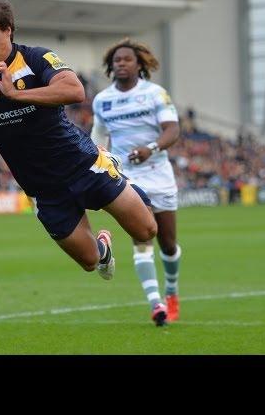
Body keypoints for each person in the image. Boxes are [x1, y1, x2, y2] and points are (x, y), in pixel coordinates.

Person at [0, 0, 158, 314]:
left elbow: (75, 91)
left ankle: (123, 182)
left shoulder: (36, 58)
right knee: (91, 262)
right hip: (44, 190)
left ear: (8, 30)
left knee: (146, 231)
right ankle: (104, 247)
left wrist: (16, 93)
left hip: (84, 166)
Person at [91, 38, 182, 325]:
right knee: (142, 238)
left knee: (167, 244)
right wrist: (97, 159)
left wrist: (151, 149)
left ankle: (171, 292)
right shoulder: (103, 100)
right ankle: (156, 305)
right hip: (127, 177)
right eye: (116, 60)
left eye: (127, 59)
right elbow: (98, 139)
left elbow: (173, 129)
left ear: (139, 64)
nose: (121, 63)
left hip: (158, 173)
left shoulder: (155, 94)